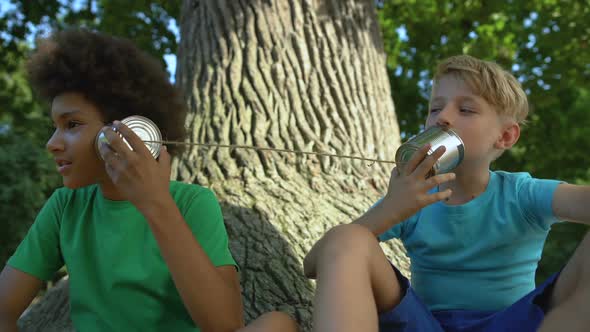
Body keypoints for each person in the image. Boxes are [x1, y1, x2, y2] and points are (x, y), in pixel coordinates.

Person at [0, 29, 297, 332]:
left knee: (278, 323)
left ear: (132, 133)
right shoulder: (65, 207)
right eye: (55, 126)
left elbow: (223, 324)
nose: (52, 143)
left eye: (72, 124)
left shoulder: (193, 202)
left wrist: (156, 204)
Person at [303, 55, 590, 332]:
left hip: (510, 323)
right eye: (435, 109)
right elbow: (313, 263)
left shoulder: (522, 193)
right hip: (426, 325)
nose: (443, 118)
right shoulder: (413, 197)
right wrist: (391, 208)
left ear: (505, 136)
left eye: (466, 110)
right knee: (348, 237)